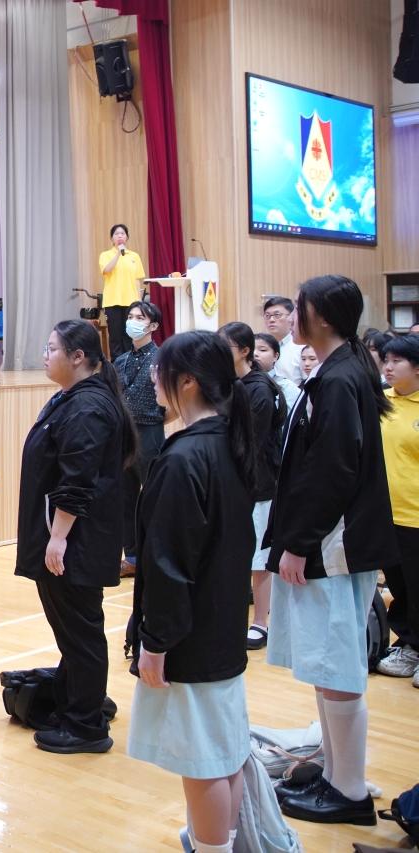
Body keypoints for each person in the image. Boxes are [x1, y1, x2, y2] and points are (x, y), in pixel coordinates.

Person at [264, 275, 398, 826]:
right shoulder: (335, 372)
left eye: (298, 306)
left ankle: (348, 790)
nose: (291, 314)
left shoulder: (341, 379)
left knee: (337, 668)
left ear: (321, 316)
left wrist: (298, 544)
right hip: (329, 542)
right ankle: (336, 773)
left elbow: (333, 472)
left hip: (333, 546)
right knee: (327, 666)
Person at [127, 331, 260, 853]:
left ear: (186, 382)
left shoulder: (184, 458)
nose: (153, 380)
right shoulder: (228, 441)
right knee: (224, 750)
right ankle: (220, 842)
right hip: (221, 619)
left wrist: (155, 642)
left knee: (202, 760)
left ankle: (213, 847)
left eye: (159, 371)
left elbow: (168, 564)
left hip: (191, 632)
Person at [15, 320, 136, 754]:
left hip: (75, 542)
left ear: (78, 357)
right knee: (75, 631)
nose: (45, 356)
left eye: (52, 349)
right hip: (69, 537)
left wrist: (58, 537)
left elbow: (77, 479)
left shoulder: (88, 408)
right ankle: (83, 701)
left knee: (80, 632)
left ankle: (86, 726)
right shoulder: (73, 398)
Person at [219, 322, 286, 651]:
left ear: (244, 351)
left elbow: (248, 441)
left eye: (226, 346)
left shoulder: (259, 389)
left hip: (258, 484)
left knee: (259, 559)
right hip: (232, 482)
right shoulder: (227, 384)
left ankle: (261, 622)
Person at [376, 334, 419, 684]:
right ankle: (409, 645)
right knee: (400, 586)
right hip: (385, 513)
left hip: (415, 513)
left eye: (396, 361)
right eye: (386, 360)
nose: (388, 367)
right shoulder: (381, 400)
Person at [113, 300, 164, 577]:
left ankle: (158, 556)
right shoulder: (120, 360)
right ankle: (131, 557)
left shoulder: (162, 358)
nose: (133, 321)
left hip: (150, 432)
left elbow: (171, 403)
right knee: (125, 497)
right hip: (124, 434)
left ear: (153, 325)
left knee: (154, 495)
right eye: (131, 316)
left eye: (140, 318)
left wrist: (156, 422)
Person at [98, 224, 147, 357]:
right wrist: (118, 254)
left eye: (122, 233)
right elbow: (106, 270)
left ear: (127, 237)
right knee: (115, 336)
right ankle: (117, 364)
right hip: (112, 301)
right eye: (116, 234)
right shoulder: (105, 255)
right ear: (112, 238)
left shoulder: (134, 256)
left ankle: (129, 362)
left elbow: (137, 280)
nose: (120, 236)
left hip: (131, 301)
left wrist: (139, 302)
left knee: (129, 334)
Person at [254, 332, 302, 410]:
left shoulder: (287, 387)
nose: (255, 354)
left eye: (262, 350)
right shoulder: (241, 383)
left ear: (275, 356)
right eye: (251, 350)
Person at [263, 296, 304, 385]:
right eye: (267, 316)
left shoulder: (301, 347)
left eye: (277, 315)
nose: (271, 320)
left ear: (291, 316)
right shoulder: (260, 347)